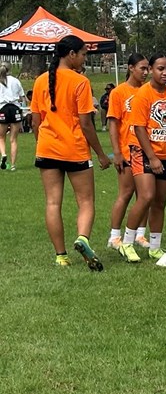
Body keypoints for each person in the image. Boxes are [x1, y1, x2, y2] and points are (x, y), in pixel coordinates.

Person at [30, 34, 111, 269]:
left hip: (47, 148)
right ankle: (82, 238)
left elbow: (36, 121)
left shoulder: (40, 81)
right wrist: (101, 154)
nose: (85, 58)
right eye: (84, 54)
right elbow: (86, 124)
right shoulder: (80, 82)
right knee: (86, 201)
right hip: (74, 149)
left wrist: (42, 143)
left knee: (52, 203)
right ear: (72, 54)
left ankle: (61, 256)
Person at [118, 53, 166, 263]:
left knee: (160, 201)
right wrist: (152, 157)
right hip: (143, 152)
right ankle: (127, 242)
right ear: (150, 69)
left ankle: (155, 246)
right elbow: (138, 128)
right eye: (160, 69)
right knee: (146, 196)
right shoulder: (143, 95)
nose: (165, 73)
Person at [105, 53, 151, 254]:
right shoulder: (119, 92)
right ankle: (114, 236)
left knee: (146, 196)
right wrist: (117, 152)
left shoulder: (149, 90)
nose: (146, 72)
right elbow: (113, 123)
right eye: (142, 68)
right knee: (126, 193)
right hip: (127, 150)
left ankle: (140, 234)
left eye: (147, 68)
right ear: (130, 68)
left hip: (147, 151)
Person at [0, 61, 26, 171]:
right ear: (10, 69)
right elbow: (22, 97)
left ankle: (4, 154)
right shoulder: (16, 81)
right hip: (14, 108)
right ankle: (13, 165)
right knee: (14, 139)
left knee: (1, 137)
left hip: (3, 108)